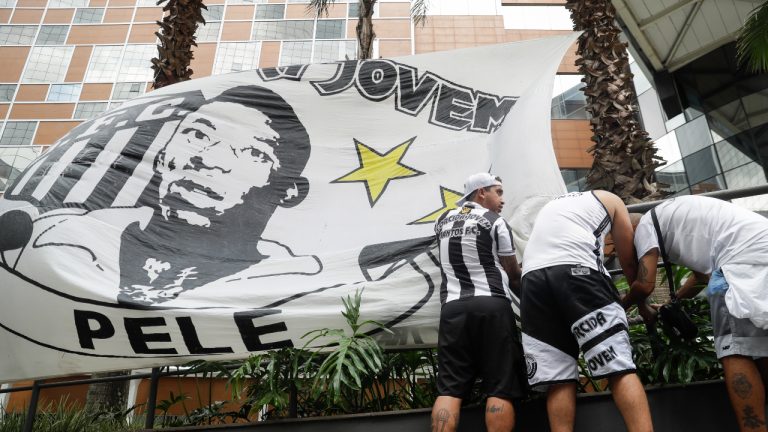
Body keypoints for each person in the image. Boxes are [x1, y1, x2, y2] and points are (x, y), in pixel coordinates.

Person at [626, 195, 768, 432]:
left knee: (735, 351)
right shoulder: (673, 217)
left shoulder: (643, 227)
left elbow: (644, 284)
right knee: (763, 349)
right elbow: (702, 276)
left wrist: (621, 304)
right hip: (758, 249)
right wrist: (675, 301)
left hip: (738, 263)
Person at [521, 190, 653, 432]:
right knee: (619, 367)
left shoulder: (555, 204)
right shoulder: (613, 199)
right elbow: (628, 260)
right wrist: (642, 304)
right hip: (578, 271)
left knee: (558, 377)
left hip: (532, 280)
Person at [430, 173, 525, 432]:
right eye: (499, 192)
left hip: (453, 309)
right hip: (491, 305)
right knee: (500, 387)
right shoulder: (494, 221)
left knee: (450, 390)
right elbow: (513, 272)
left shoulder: (441, 220)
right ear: (481, 192)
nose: (502, 199)